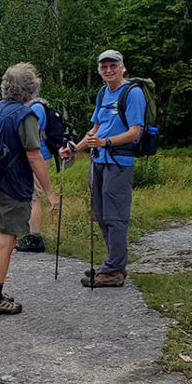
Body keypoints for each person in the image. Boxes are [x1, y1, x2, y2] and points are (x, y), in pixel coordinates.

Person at [0, 63, 59, 316]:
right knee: (6, 242)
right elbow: (34, 156)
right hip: (12, 187)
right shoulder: (25, 116)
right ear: (31, 89)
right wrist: (50, 192)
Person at [60, 50, 144, 288]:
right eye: (104, 66)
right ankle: (113, 264)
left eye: (113, 66)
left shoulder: (133, 93)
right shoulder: (103, 93)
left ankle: (114, 269)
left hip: (119, 162)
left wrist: (107, 142)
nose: (108, 70)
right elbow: (95, 128)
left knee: (115, 216)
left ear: (122, 67)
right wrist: (76, 148)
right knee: (100, 213)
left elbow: (135, 132)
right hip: (99, 161)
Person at [15, 99, 55, 253]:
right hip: (31, 157)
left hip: (39, 157)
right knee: (29, 195)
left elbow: (31, 133)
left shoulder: (36, 108)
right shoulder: (28, 107)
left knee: (34, 196)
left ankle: (35, 237)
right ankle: (29, 234)